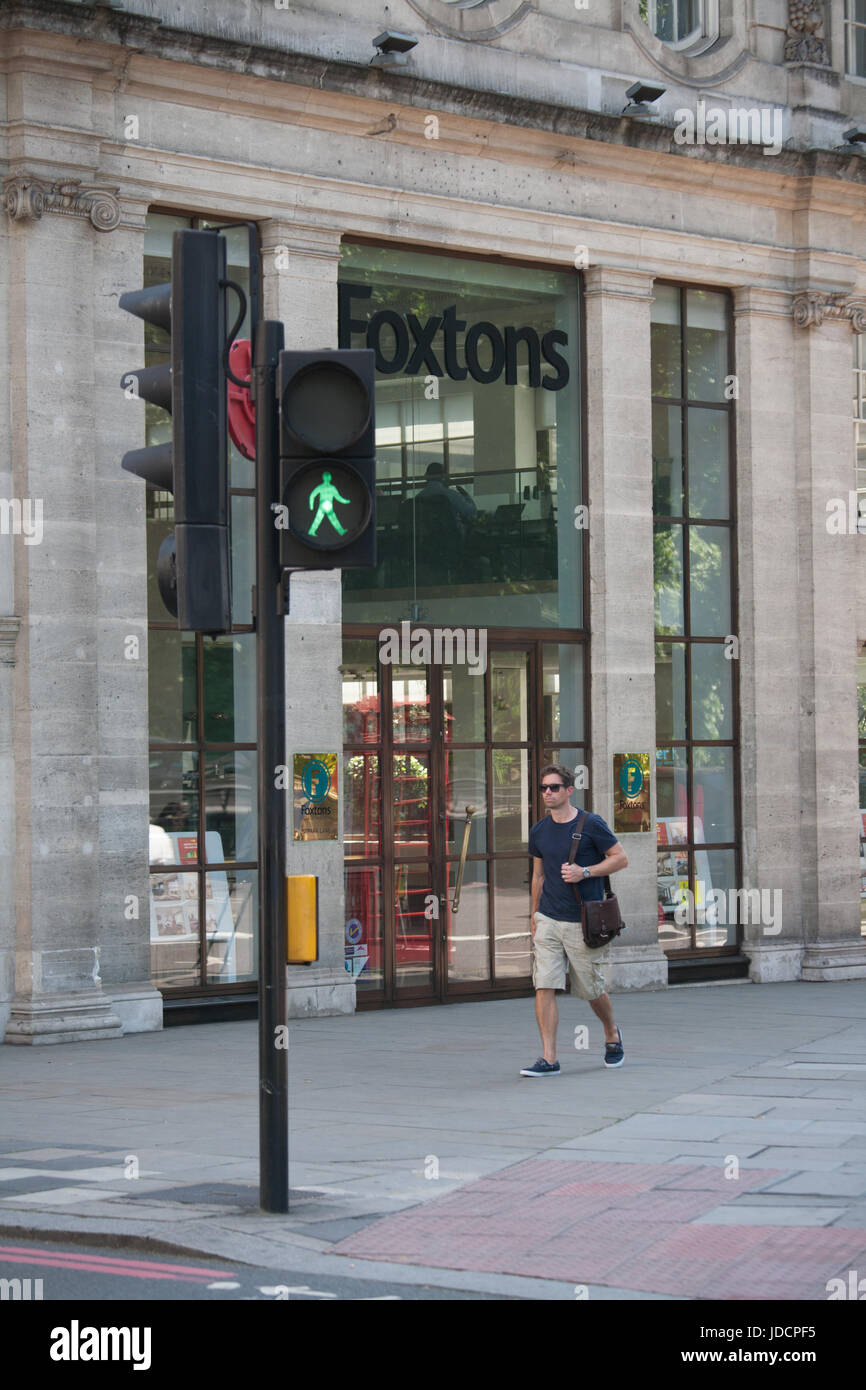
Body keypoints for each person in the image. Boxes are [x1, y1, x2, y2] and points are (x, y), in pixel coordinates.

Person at [521, 764, 629, 1076]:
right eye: (544, 788)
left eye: (554, 787)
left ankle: (611, 1032)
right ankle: (549, 1058)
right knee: (544, 985)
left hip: (583, 922)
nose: (548, 793)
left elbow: (621, 858)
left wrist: (585, 872)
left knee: (591, 989)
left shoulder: (591, 824)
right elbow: (538, 875)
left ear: (569, 790)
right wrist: (534, 913)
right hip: (548, 919)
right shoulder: (539, 830)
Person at [414, 461, 477, 534]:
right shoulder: (452, 495)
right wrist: (466, 495)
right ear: (443, 476)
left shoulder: (418, 497)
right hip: (450, 538)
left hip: (427, 540)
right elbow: (471, 512)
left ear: (426, 476)